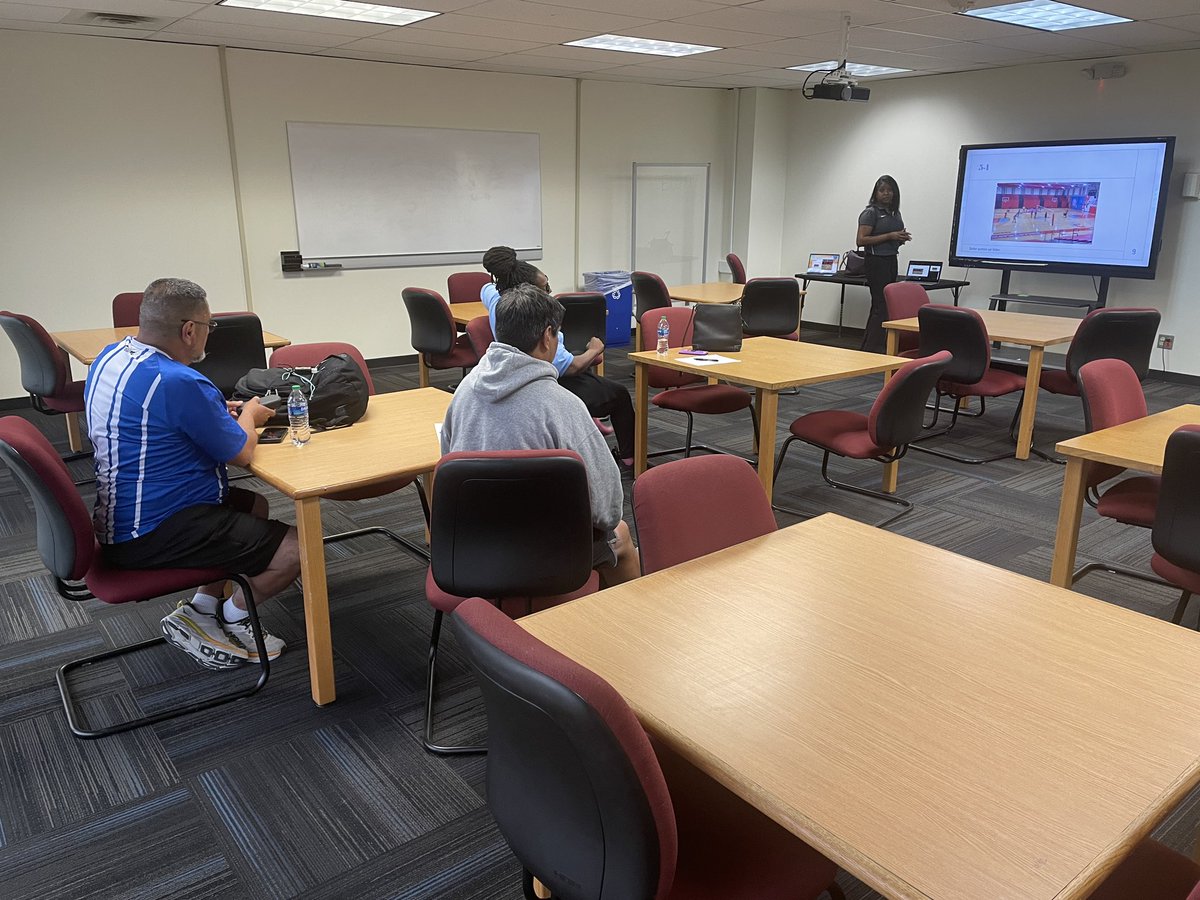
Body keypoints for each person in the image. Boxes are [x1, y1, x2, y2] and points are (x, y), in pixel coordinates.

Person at [85, 278, 300, 670]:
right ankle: (238, 613)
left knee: (254, 505)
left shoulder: (112, 356)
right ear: (189, 331)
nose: (208, 335)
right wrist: (250, 414)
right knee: (298, 549)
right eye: (208, 327)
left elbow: (158, 416)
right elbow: (241, 452)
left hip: (117, 514)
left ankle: (201, 611)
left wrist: (212, 409)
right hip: (149, 532)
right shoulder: (180, 381)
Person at [441, 282, 640, 587]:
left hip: (473, 545)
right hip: (545, 553)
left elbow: (448, 463)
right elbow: (607, 510)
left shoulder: (463, 394)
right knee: (622, 537)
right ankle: (622, 625)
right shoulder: (564, 407)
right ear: (547, 336)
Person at [480, 246, 636, 474]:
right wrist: (595, 349)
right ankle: (629, 457)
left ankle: (591, 417)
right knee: (617, 392)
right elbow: (570, 367)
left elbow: (485, 287)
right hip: (551, 381)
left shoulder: (496, 300)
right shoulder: (545, 335)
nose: (549, 292)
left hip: (513, 375)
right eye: (545, 290)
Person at [857, 174, 911, 353]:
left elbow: (895, 235)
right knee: (881, 304)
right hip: (875, 261)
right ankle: (872, 348)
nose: (886, 194)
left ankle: (874, 345)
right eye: (882, 190)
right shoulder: (870, 213)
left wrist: (900, 238)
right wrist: (890, 236)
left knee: (885, 304)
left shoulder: (895, 213)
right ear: (876, 193)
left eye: (889, 190)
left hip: (891, 258)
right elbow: (861, 240)